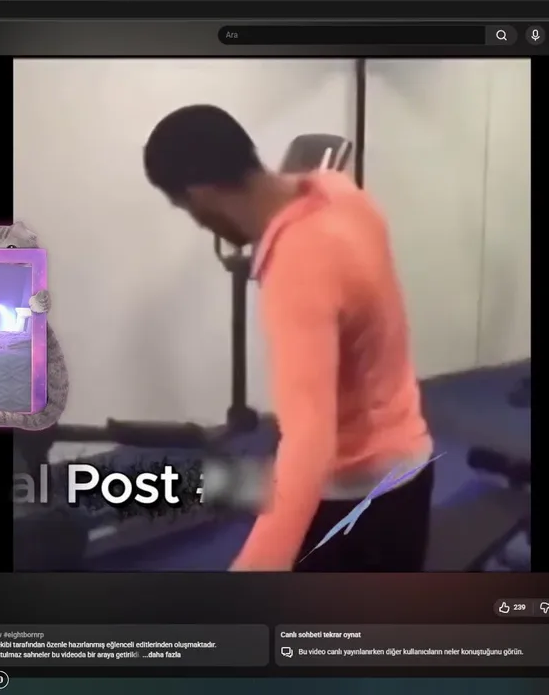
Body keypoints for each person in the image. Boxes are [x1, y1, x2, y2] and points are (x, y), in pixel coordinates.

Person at [142, 104, 435, 572]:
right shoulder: (342, 194)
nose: (196, 220)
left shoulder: (299, 268)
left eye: (187, 208)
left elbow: (308, 444)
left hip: (357, 499)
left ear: (200, 193)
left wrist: (257, 565)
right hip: (411, 468)